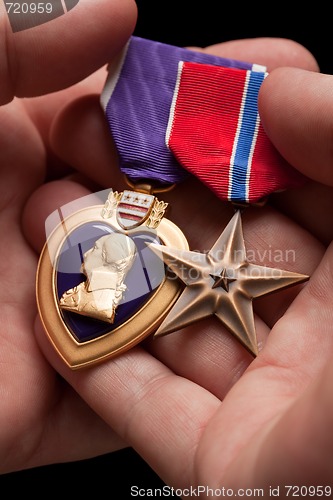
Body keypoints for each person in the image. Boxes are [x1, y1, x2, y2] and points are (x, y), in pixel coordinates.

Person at [1, 0, 332, 494]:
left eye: (100, 255)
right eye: (94, 254)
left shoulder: (111, 278)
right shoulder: (79, 286)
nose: (92, 258)